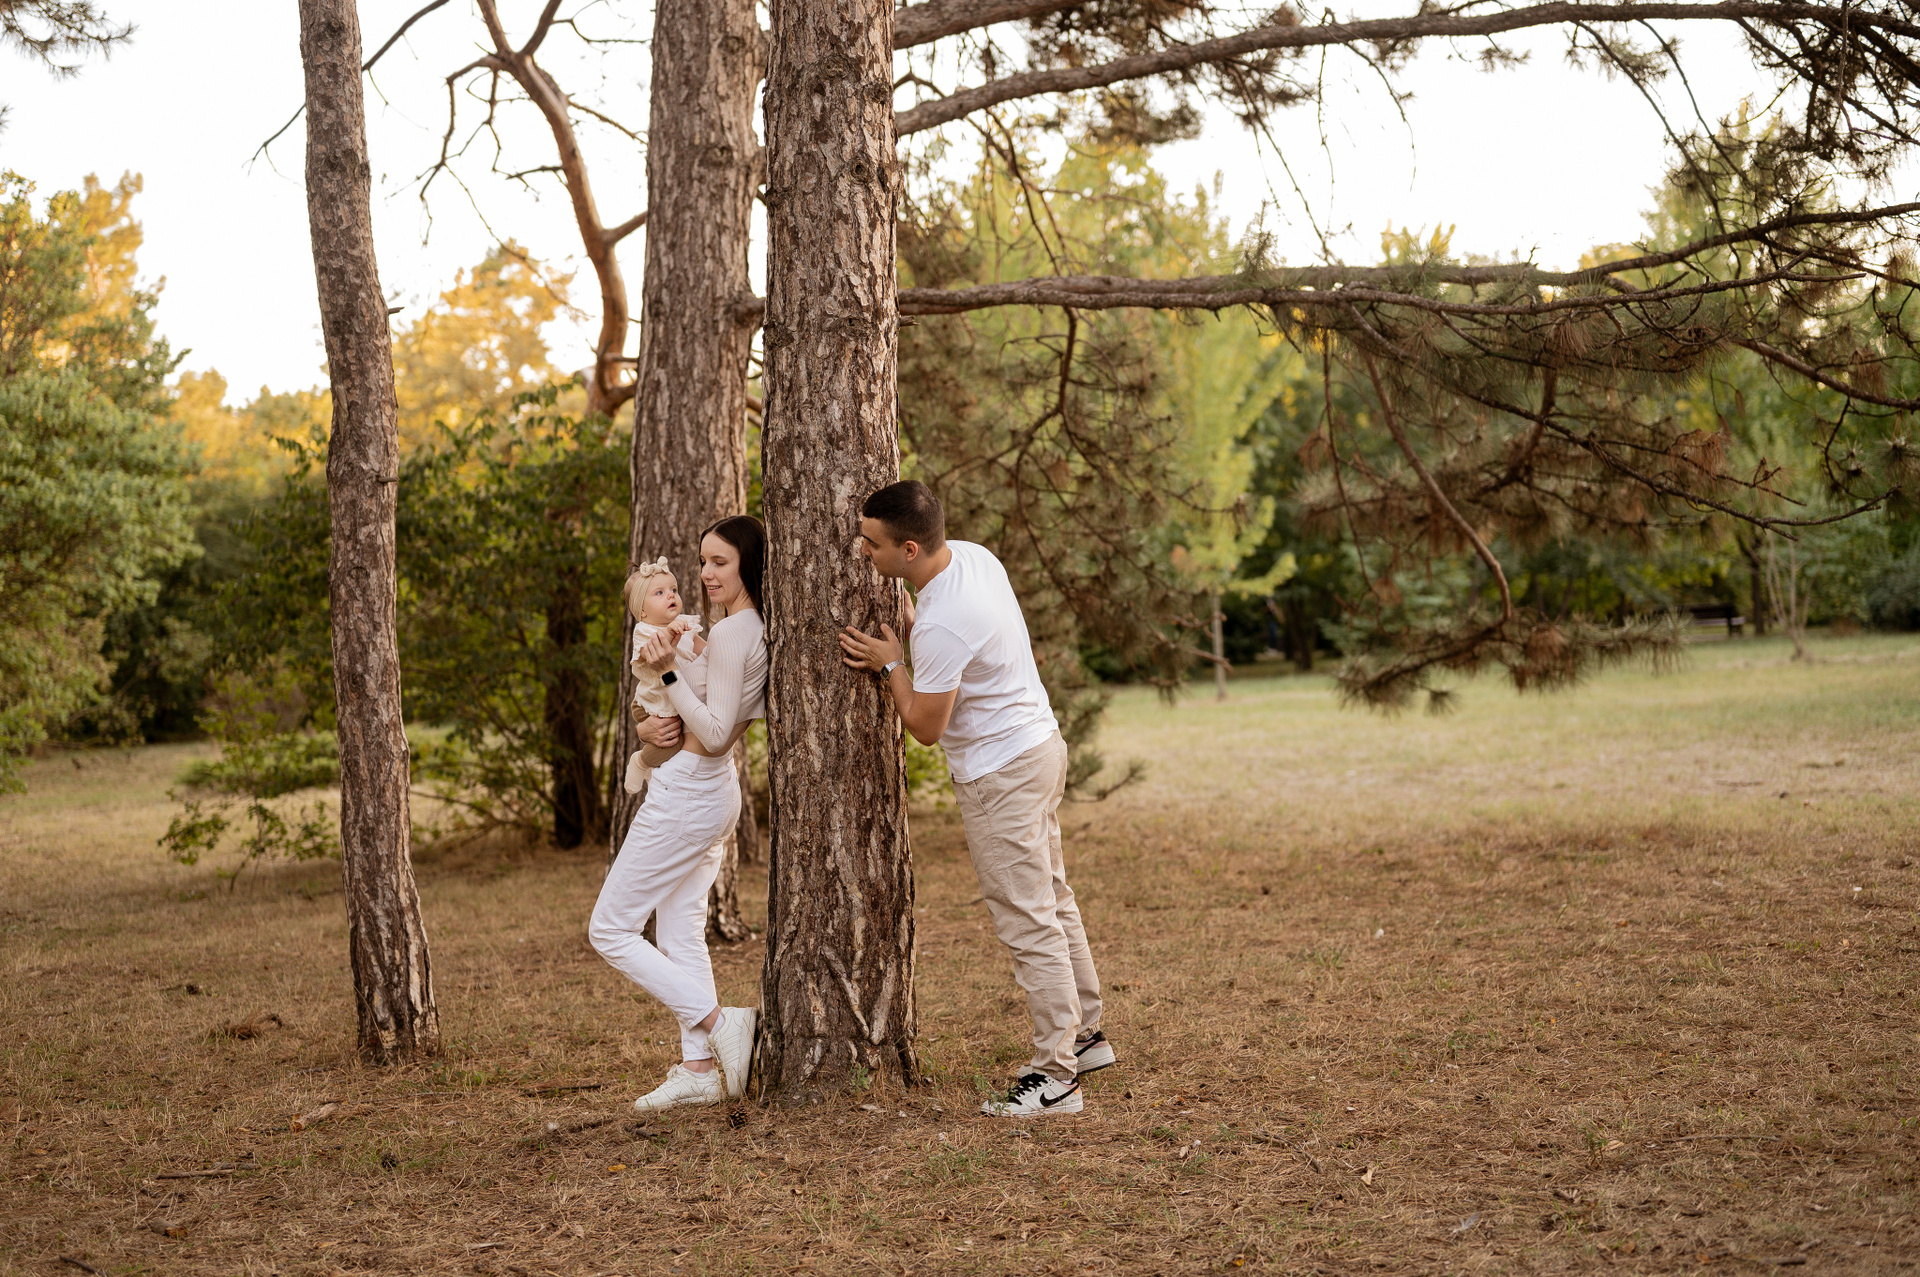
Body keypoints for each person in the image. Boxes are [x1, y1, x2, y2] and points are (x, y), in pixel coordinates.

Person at [839, 480, 1115, 1118]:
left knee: (1028, 920)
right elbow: (964, 650)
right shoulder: (972, 557)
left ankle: (1056, 1078)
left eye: (872, 543)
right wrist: (915, 635)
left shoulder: (941, 623)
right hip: (1039, 746)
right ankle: (1086, 1037)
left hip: (1001, 775)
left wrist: (892, 665)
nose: (863, 551)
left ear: (909, 549)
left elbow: (926, 727)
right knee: (1053, 899)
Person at [590, 516, 768, 1110]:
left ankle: (720, 1024)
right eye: (703, 562)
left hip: (691, 791)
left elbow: (714, 733)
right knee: (679, 930)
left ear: (748, 564)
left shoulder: (736, 632)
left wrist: (666, 670)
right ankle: (698, 1068)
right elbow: (691, 710)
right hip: (709, 790)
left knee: (609, 929)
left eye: (721, 562)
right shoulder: (735, 628)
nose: (706, 573)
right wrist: (648, 727)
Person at [619, 556, 703, 793]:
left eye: (673, 590)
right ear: (642, 611)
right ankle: (641, 762)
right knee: (672, 743)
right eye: (659, 593)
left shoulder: (684, 624)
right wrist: (668, 633)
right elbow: (650, 654)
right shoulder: (644, 631)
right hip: (651, 703)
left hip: (674, 701)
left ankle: (653, 767)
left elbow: (705, 651)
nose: (670, 596)